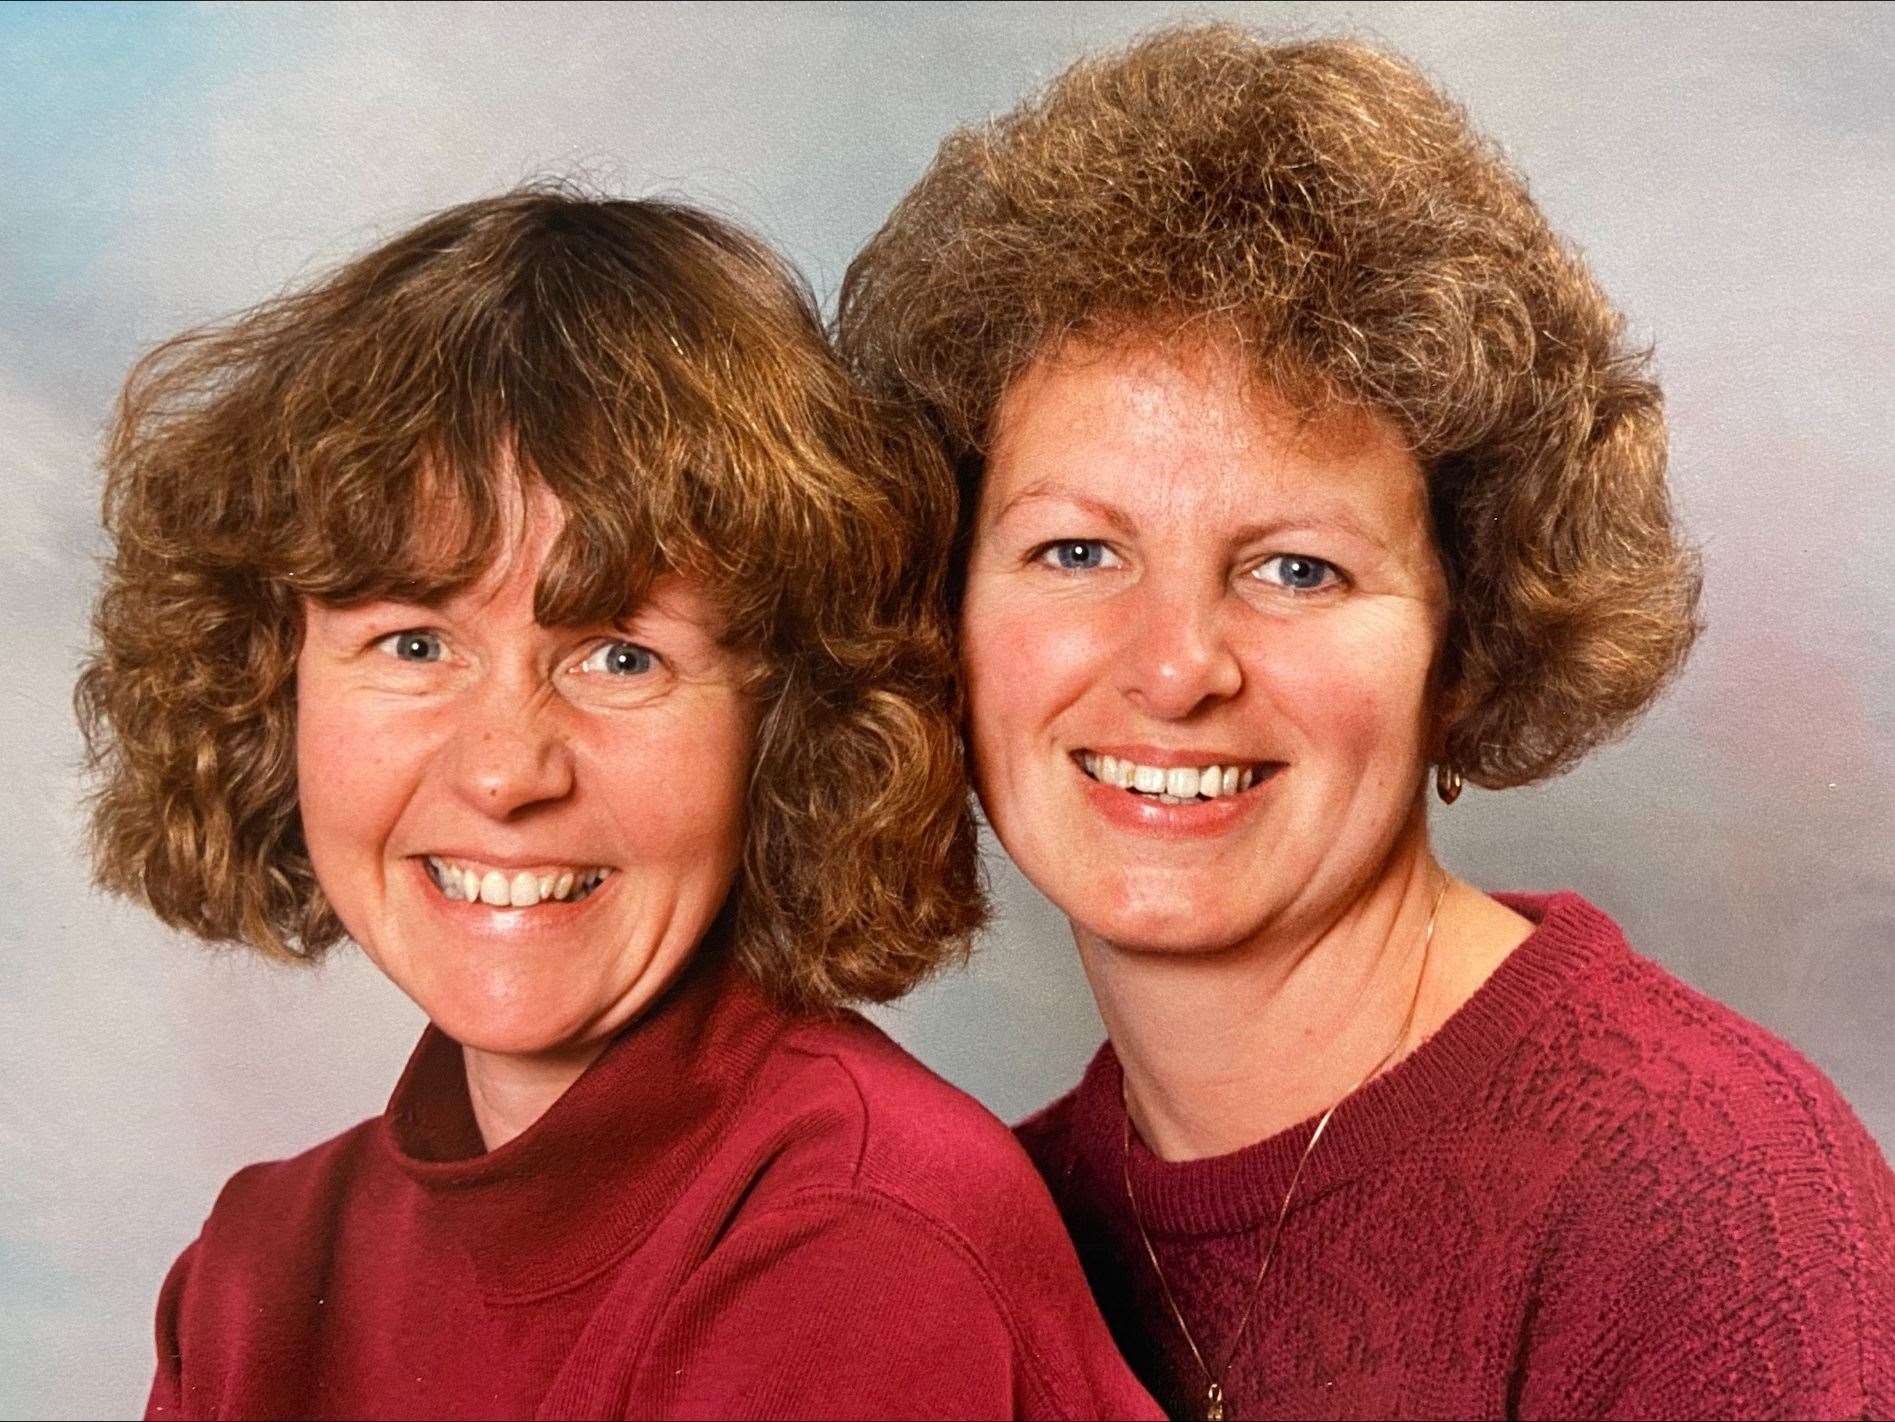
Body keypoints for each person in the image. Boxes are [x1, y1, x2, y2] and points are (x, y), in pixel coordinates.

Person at [838, 25, 1895, 1421]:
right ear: (943, 613)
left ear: (1467, 638)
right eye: (1075, 551)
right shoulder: (982, 1226)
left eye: (1295, 568)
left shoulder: (1699, 1198)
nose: (1173, 668)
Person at [78, 188, 1160, 1420]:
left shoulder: (858, 1240)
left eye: (618, 657)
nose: (503, 771)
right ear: (270, 684)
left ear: (791, 727)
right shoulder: (256, 1273)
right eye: (413, 643)